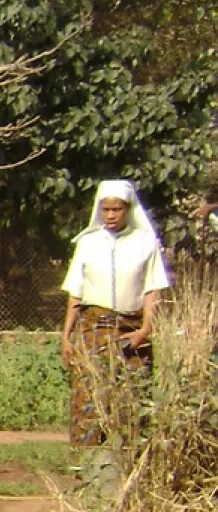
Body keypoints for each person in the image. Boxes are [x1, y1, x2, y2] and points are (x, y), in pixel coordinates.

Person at [60, 179, 171, 449]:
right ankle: (87, 467)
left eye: (116, 209)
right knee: (88, 394)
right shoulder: (88, 243)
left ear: (128, 209)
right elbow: (76, 291)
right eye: (105, 209)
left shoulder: (144, 242)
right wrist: (66, 336)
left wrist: (145, 330)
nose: (110, 215)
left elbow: (152, 288)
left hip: (131, 327)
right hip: (93, 327)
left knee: (132, 396)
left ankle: (127, 464)